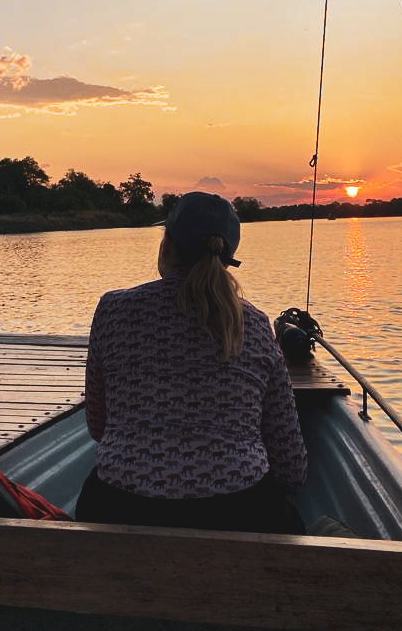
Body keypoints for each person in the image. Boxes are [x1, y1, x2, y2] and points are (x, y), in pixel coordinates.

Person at [75, 191, 307, 533]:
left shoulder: (113, 310)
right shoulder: (255, 325)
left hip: (117, 507)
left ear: (166, 245)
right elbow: (291, 469)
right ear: (228, 259)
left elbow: (99, 426)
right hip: (238, 512)